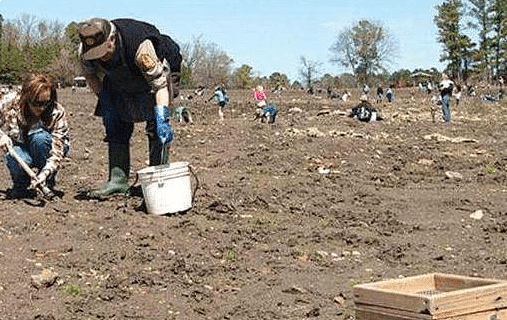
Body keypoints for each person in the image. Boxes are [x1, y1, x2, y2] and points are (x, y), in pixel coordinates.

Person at [78, 18, 182, 198]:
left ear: (112, 39)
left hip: (160, 72)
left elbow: (159, 86)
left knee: (156, 125)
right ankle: (118, 181)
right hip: (120, 77)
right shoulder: (85, 51)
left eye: (103, 51)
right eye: (95, 53)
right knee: (115, 124)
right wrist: (104, 99)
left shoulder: (141, 48)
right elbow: (91, 77)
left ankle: (157, 182)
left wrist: (162, 117)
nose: (100, 56)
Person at [0, 72, 70, 199]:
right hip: (20, 145)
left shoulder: (56, 112)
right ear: (26, 97)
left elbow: (57, 152)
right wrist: (1, 136)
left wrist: (44, 174)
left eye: (46, 102)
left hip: (45, 145)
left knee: (39, 138)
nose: (42, 107)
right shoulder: (9, 102)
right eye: (37, 103)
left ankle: (47, 184)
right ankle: (20, 186)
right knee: (12, 154)